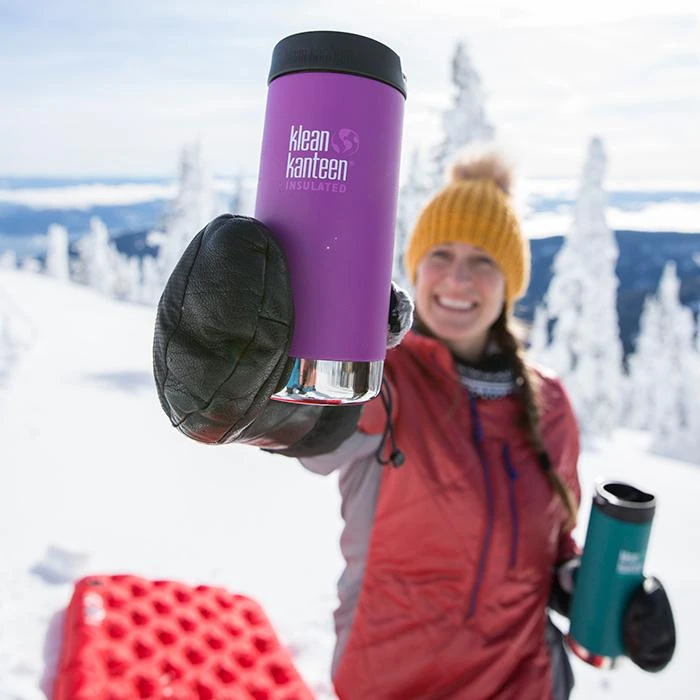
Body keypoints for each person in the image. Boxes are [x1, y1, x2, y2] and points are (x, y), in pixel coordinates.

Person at [153, 147, 676, 699]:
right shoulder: (385, 375)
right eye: (441, 254)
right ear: (417, 266)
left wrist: (584, 589)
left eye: (483, 260)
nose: (458, 278)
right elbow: (312, 421)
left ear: (510, 281)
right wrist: (232, 380)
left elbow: (550, 543)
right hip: (397, 686)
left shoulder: (551, 404)